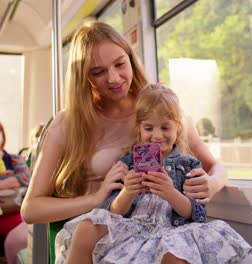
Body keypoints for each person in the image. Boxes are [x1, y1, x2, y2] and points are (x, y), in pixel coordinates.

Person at [21, 20, 227, 245]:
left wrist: (212, 183)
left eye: (120, 64)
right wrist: (96, 199)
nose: (113, 78)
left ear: (131, 59)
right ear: (84, 78)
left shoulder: (159, 111)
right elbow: (31, 210)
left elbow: (215, 167)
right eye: (98, 72)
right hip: (96, 237)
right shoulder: (68, 124)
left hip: (158, 233)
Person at [55, 83, 252, 263]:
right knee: (85, 228)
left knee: (176, 255)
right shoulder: (128, 163)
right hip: (132, 229)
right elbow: (113, 211)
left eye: (165, 127)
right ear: (139, 128)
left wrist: (171, 193)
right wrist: (128, 192)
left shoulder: (187, 165)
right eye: (149, 128)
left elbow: (196, 214)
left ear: (178, 128)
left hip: (171, 231)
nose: (157, 136)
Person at [0, 122, 30, 264]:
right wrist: (12, 178)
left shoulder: (14, 158)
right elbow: (18, 178)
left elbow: (25, 178)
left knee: (19, 236)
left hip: (13, 211)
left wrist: (2, 183)